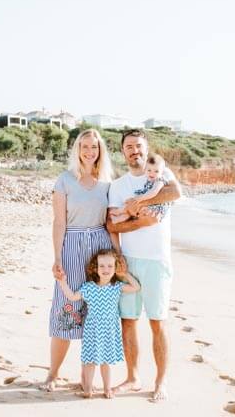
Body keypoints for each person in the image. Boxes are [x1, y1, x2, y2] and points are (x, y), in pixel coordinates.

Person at [106, 129, 182, 402]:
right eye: (129, 147)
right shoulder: (117, 186)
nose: (134, 151)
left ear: (146, 149)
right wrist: (119, 255)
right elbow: (111, 224)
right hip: (129, 259)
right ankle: (133, 377)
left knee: (158, 322)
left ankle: (160, 382)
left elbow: (175, 193)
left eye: (139, 146)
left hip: (157, 260)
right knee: (128, 321)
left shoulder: (163, 175)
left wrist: (140, 201)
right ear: (123, 151)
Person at [41, 128, 117, 392]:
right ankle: (53, 374)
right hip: (72, 246)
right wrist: (57, 257)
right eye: (84, 146)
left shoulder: (108, 182)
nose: (89, 151)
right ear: (77, 149)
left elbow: (112, 222)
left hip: (100, 250)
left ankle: (89, 379)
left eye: (94, 147)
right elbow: (59, 221)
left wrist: (118, 256)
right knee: (66, 307)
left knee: (98, 313)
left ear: (100, 151)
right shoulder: (64, 180)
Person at [57, 249, 140, 398]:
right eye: (102, 266)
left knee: (105, 361)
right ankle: (87, 389)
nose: (106, 269)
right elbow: (72, 296)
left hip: (109, 330)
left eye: (110, 266)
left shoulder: (116, 287)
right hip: (92, 329)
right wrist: (62, 282)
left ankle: (107, 388)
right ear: (95, 268)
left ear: (115, 268)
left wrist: (125, 273)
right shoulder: (89, 287)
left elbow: (136, 287)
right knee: (90, 360)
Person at [109, 153, 170, 223]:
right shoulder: (149, 180)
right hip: (149, 204)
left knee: (135, 204)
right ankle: (119, 218)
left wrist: (139, 198)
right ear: (145, 170)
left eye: (156, 171)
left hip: (155, 208)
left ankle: (121, 211)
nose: (152, 173)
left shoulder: (160, 180)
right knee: (133, 205)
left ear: (162, 172)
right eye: (149, 170)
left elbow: (153, 192)